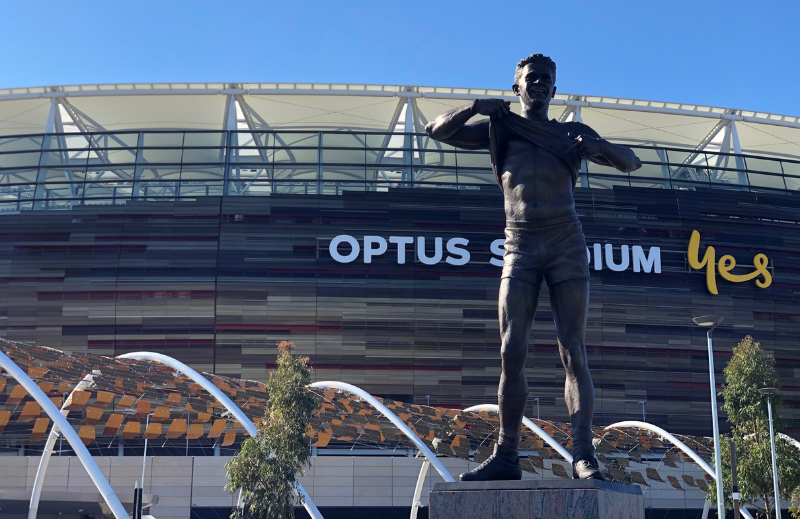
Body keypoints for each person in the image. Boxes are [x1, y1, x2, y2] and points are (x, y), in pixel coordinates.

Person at [425, 54, 641, 481]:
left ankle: (583, 455)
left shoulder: (572, 133)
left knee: (572, 349)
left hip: (566, 242)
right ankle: (507, 455)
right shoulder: (499, 127)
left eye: (547, 79)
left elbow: (630, 161)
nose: (539, 84)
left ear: (554, 90)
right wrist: (473, 107)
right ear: (516, 88)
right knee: (511, 351)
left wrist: (599, 147)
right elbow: (435, 130)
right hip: (519, 243)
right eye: (531, 78)